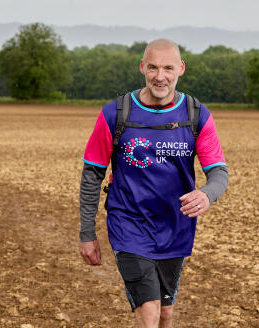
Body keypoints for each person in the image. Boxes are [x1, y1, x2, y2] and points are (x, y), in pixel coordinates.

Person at [78, 38, 229, 328]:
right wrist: (87, 233)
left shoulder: (197, 115)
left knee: (165, 313)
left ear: (181, 69)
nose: (160, 76)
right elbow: (92, 175)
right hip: (129, 224)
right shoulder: (116, 113)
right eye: (153, 68)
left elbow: (218, 172)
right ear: (142, 68)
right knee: (148, 308)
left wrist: (207, 195)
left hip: (176, 227)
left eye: (168, 68)